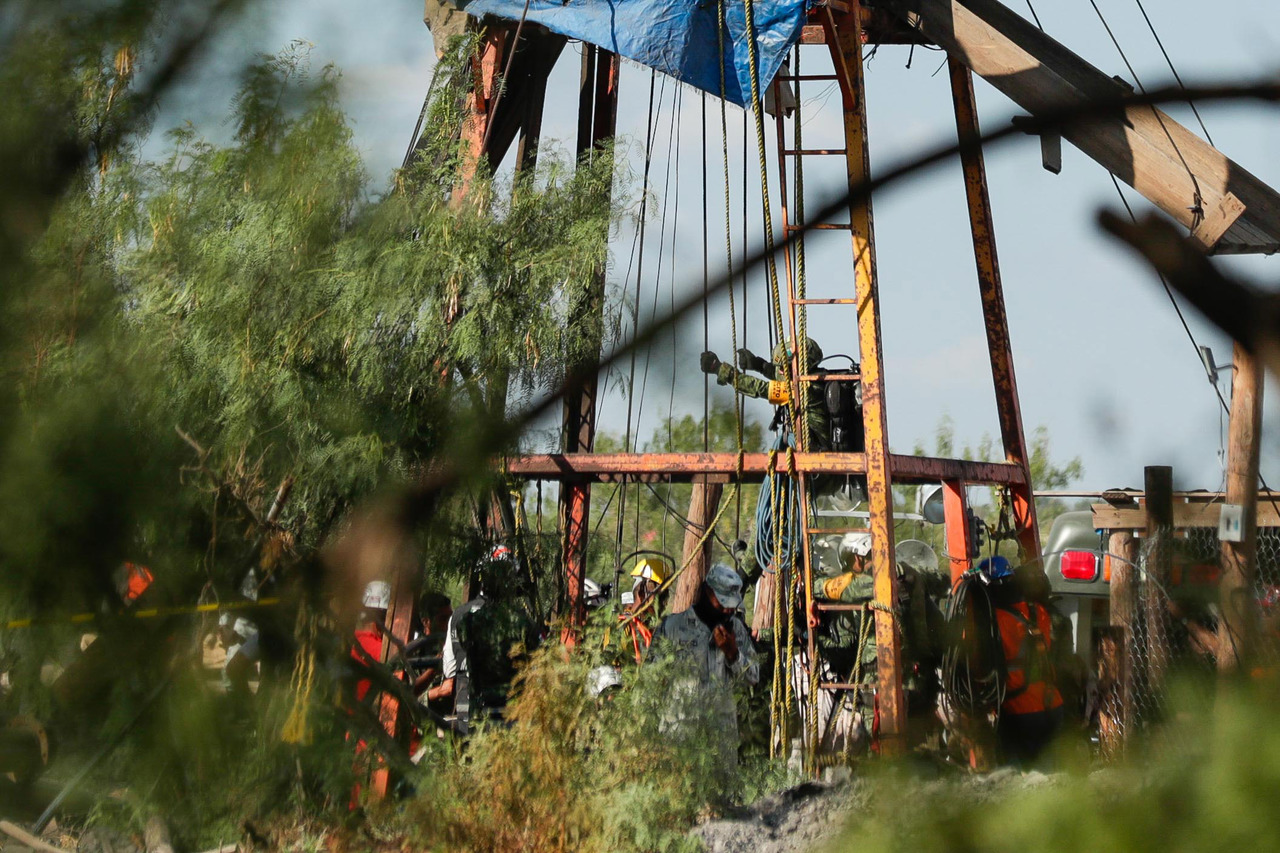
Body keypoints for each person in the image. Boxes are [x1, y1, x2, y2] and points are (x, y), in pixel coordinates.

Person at [649, 564, 759, 773]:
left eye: (731, 605)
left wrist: (733, 654)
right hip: (681, 736)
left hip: (720, 741)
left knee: (723, 803)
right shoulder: (673, 627)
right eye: (722, 603)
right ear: (707, 592)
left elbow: (753, 678)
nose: (727, 610)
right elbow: (651, 680)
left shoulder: (735, 629)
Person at [430, 543, 538, 732]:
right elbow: (538, 669)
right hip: (514, 720)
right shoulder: (523, 620)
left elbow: (451, 670)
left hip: (472, 718)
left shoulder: (461, 617)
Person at [981, 556, 1064, 767]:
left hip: (1020, 712)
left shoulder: (994, 620)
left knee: (1020, 779)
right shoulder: (1038, 611)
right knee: (1053, 774)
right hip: (1052, 704)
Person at [699, 339, 832, 451]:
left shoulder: (807, 388)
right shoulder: (810, 377)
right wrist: (759, 365)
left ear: (802, 366)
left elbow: (760, 388)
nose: (780, 371)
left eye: (784, 367)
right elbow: (779, 375)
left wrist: (720, 370)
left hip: (817, 457)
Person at [620, 555, 669, 663]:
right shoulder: (625, 625)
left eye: (664, 596)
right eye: (659, 596)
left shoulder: (659, 629)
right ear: (641, 593)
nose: (662, 603)